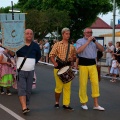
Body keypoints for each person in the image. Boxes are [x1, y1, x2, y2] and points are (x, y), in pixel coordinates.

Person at [76, 27, 105, 111]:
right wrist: (88, 42)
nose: (90, 34)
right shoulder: (80, 41)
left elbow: (102, 49)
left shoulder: (94, 42)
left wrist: (95, 41)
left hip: (92, 64)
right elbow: (78, 51)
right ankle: (83, 102)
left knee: (95, 83)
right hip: (83, 64)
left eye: (91, 32)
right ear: (84, 33)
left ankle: (96, 104)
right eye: (88, 32)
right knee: (83, 84)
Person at [49, 28, 76, 111]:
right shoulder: (57, 44)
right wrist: (54, 62)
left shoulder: (71, 46)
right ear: (63, 34)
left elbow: (74, 57)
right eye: (66, 33)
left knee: (67, 87)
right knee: (59, 86)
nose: (68, 35)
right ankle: (57, 102)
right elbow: (51, 55)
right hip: (59, 66)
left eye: (69, 33)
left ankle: (66, 104)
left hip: (67, 67)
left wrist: (72, 60)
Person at [16, 29, 41, 114]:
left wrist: (32, 63)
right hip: (21, 71)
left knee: (28, 90)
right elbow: (12, 54)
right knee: (21, 89)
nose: (29, 35)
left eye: (31, 33)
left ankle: (25, 104)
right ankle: (24, 107)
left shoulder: (35, 46)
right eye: (27, 33)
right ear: (24, 35)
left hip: (31, 71)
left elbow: (38, 56)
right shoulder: (19, 44)